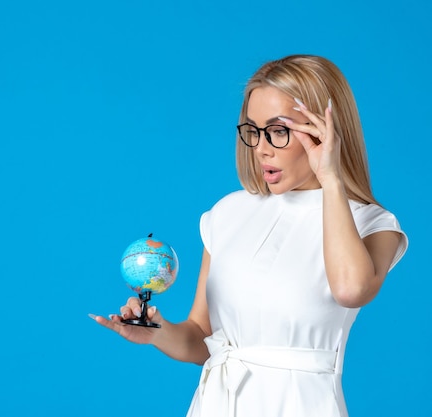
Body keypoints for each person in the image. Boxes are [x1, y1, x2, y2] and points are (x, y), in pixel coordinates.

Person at [89, 54, 408, 417]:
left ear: (325, 131)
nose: (261, 148)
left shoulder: (372, 223)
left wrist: (331, 177)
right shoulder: (227, 213)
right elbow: (201, 339)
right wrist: (157, 331)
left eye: (278, 131)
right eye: (253, 131)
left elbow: (351, 291)